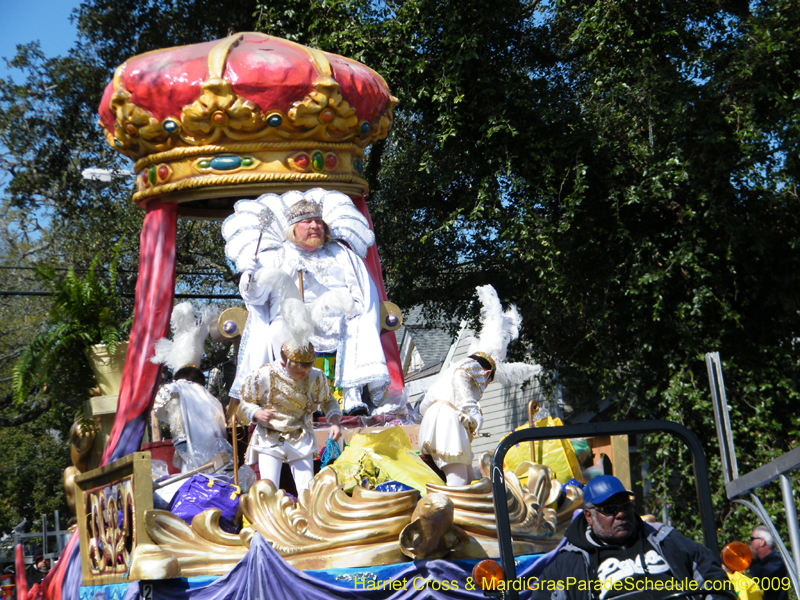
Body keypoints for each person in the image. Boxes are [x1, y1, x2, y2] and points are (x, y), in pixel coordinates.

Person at [232, 196, 390, 416]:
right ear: (292, 229)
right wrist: (251, 276)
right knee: (279, 330)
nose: (315, 226)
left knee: (359, 324)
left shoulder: (341, 254)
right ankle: (297, 398)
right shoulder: (276, 256)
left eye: (318, 222)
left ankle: (351, 396)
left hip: (338, 318)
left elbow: (361, 293)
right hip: (290, 320)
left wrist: (353, 309)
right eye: (307, 222)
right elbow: (256, 298)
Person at [531, 475, 729, 600]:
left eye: (626, 506)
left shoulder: (662, 537)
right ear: (589, 516)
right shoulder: (569, 563)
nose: (621, 514)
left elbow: (710, 571)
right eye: (610, 509)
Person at [238, 339, 342, 493]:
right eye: (299, 372)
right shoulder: (264, 374)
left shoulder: (315, 376)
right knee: (268, 489)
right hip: (270, 436)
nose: (304, 375)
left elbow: (328, 400)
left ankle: (306, 509)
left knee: (307, 489)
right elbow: (245, 399)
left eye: (307, 371)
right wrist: (257, 412)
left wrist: (335, 422)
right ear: (283, 364)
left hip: (300, 435)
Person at [418, 352, 495, 486]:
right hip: (447, 422)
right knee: (458, 481)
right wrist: (472, 409)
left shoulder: (447, 374)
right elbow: (461, 375)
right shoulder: (471, 366)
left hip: (432, 422)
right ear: (486, 373)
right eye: (487, 382)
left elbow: (423, 407)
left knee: (469, 478)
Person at [152, 366, 231, 473]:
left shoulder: (176, 389)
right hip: (220, 460)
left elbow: (178, 430)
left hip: (193, 459)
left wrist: (187, 456)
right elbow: (223, 434)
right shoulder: (213, 400)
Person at [748, 526, 789, 600]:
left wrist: (753, 560)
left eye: (752, 539)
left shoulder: (778, 561)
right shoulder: (760, 562)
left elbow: (763, 581)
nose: (749, 542)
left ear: (762, 542)